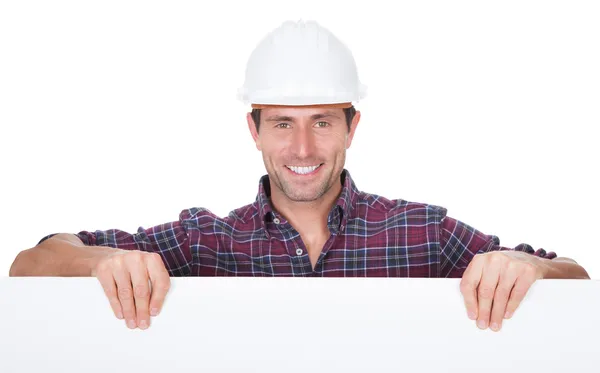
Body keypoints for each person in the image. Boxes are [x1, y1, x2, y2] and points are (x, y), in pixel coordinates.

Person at [9, 20, 590, 333]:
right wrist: (103, 263)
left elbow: (576, 281)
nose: (304, 147)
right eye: (283, 124)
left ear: (352, 126)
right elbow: (29, 264)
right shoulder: (204, 240)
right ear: (254, 130)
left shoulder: (423, 233)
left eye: (322, 122)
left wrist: (527, 265)